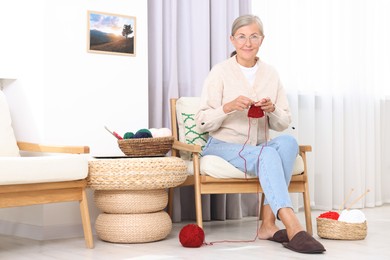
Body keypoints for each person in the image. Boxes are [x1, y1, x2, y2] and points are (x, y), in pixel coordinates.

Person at [195, 14, 326, 254]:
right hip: (222, 145)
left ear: (262, 40)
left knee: (287, 143)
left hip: (258, 146)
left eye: (254, 36)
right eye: (242, 37)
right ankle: (293, 226)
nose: (248, 42)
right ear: (232, 40)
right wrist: (228, 107)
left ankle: (267, 224)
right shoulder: (220, 72)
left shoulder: (270, 73)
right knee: (267, 154)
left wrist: (272, 110)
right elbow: (202, 121)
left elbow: (284, 122)